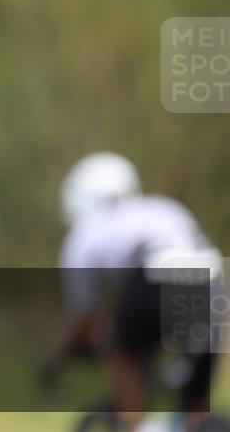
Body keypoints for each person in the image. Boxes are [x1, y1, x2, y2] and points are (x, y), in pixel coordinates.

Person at [55, 152, 224, 432]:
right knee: (196, 398)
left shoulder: (81, 236)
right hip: (211, 279)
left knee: (121, 347)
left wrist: (69, 350)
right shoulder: (162, 206)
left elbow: (84, 320)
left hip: (156, 273)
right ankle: (193, 420)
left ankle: (133, 423)